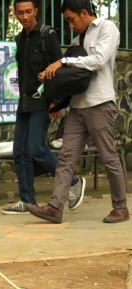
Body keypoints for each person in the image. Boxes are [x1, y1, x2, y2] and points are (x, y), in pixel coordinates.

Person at [26, 0, 128, 224]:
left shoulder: (107, 28)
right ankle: (55, 207)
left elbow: (99, 60)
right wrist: (53, 80)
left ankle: (120, 207)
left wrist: (64, 61)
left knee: (108, 157)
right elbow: (74, 78)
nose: (70, 25)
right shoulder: (77, 40)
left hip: (100, 103)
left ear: (84, 13)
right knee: (66, 158)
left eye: (72, 19)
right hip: (78, 107)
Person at [2, 0, 85, 215]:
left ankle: (73, 180)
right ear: (16, 15)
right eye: (20, 13)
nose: (25, 17)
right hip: (25, 102)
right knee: (19, 151)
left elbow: (58, 68)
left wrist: (55, 101)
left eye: (28, 12)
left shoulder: (48, 35)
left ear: (36, 11)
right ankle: (26, 201)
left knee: (35, 148)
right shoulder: (20, 38)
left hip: (43, 100)